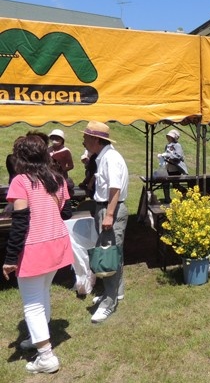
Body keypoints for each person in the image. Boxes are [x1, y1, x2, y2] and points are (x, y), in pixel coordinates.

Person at [2, 134, 73, 374]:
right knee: (41, 294)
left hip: (35, 248)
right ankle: (37, 337)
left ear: (20, 158)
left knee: (32, 303)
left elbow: (20, 223)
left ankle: (46, 356)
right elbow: (66, 210)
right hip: (56, 244)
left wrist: (10, 258)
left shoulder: (21, 181)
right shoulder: (57, 178)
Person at [82, 121, 129, 324]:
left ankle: (109, 303)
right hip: (105, 207)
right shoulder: (103, 157)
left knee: (108, 254)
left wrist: (109, 214)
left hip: (111, 207)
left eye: (85, 137)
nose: (83, 140)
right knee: (113, 252)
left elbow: (115, 189)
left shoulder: (110, 158)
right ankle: (115, 292)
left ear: (95, 139)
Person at [157, 129, 188, 203]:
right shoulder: (167, 145)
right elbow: (166, 154)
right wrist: (162, 156)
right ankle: (167, 199)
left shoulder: (178, 146)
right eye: (168, 136)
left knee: (175, 185)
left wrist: (167, 155)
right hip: (168, 167)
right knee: (165, 183)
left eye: (170, 136)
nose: (168, 138)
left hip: (175, 168)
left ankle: (185, 193)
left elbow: (178, 156)